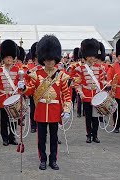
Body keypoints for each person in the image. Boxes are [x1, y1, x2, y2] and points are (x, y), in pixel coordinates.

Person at [18, 35, 71, 170]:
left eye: (52, 60)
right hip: (41, 110)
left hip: (54, 110)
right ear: (43, 59)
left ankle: (53, 160)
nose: (50, 63)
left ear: (56, 59)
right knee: (41, 139)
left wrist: (66, 109)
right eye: (47, 60)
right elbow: (30, 91)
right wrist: (23, 88)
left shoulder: (61, 75)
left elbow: (66, 94)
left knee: (54, 138)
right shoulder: (37, 74)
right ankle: (43, 159)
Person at [73, 39, 105, 143]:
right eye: (90, 56)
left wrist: (106, 85)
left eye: (93, 56)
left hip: (96, 96)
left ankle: (95, 135)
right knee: (88, 117)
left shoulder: (99, 68)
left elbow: (101, 81)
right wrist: (81, 93)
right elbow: (77, 83)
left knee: (95, 117)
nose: (92, 58)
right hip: (86, 96)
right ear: (86, 56)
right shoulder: (80, 69)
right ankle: (88, 135)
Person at [0, 40, 19, 146]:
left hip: (14, 97)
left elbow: (21, 84)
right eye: (7, 57)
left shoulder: (17, 70)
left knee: (14, 119)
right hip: (3, 98)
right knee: (4, 120)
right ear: (3, 58)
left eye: (11, 57)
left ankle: (12, 137)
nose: (9, 59)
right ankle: (5, 138)